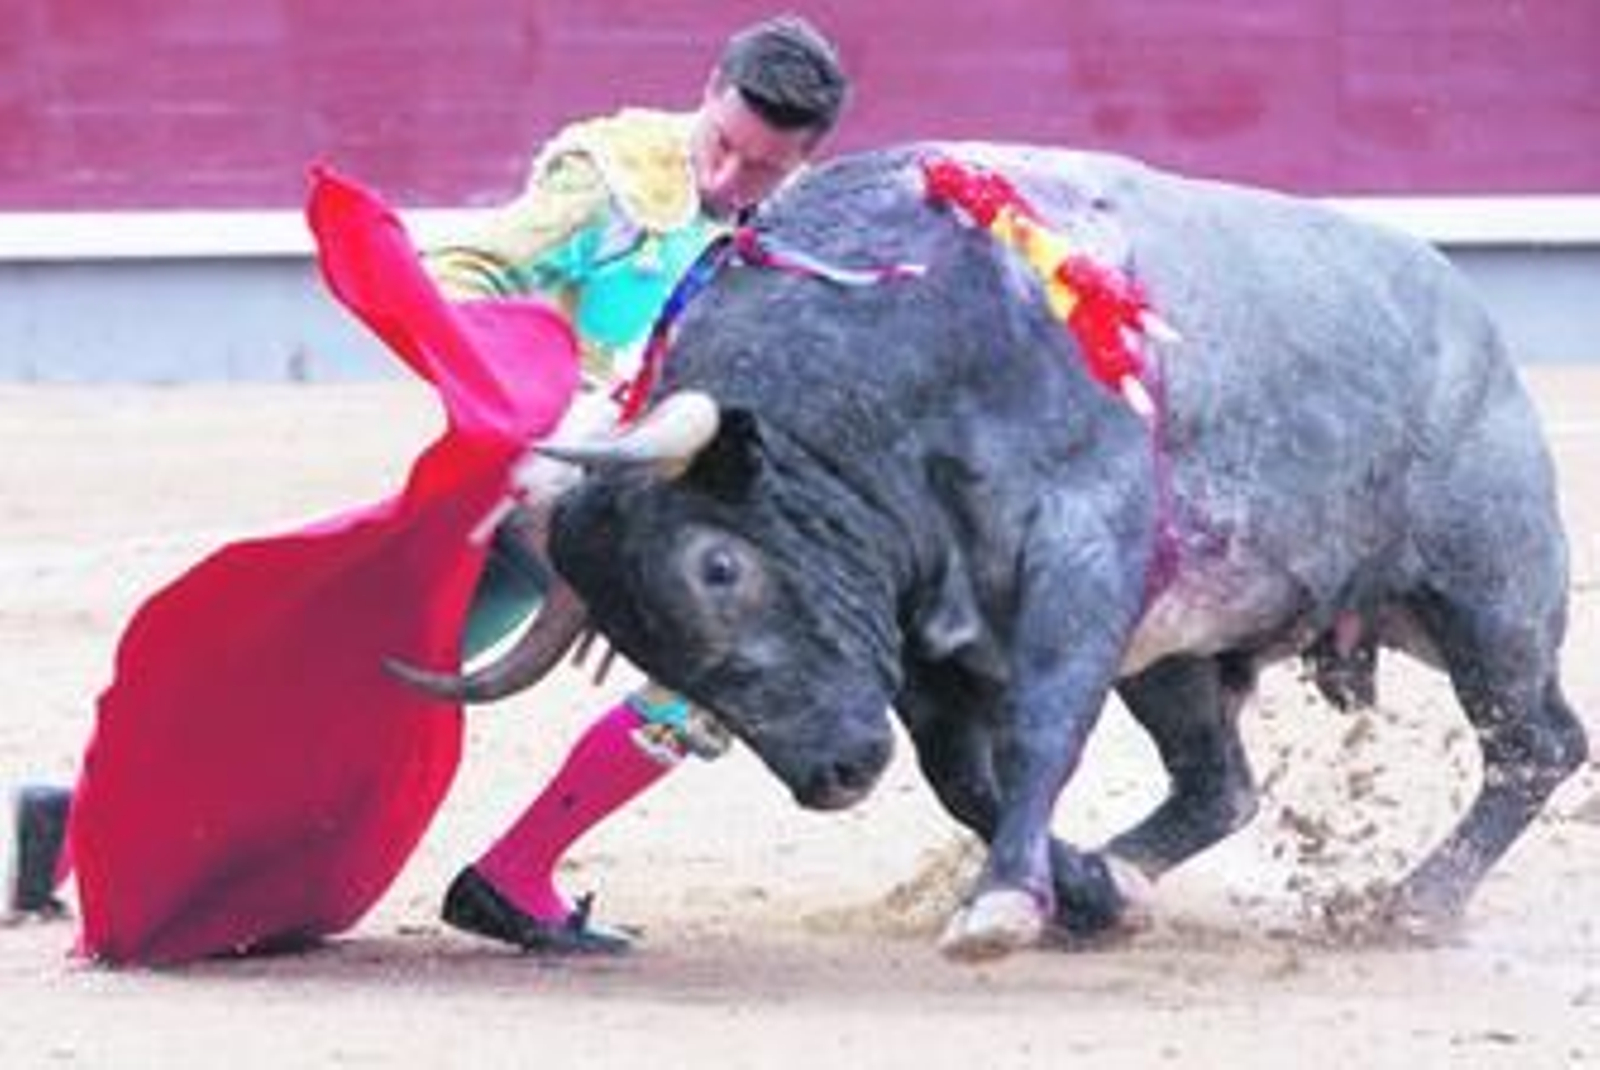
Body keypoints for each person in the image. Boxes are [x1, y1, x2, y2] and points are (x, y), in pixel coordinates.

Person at [6, 15, 851, 956]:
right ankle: (512, 876)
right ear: (707, 92)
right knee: (719, 663)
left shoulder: (799, 232)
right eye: (723, 145)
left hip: (647, 502)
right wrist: (558, 403)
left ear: (804, 159)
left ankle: (76, 818)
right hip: (545, 482)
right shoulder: (612, 180)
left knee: (345, 678)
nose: (730, 179)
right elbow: (459, 272)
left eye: (762, 168)